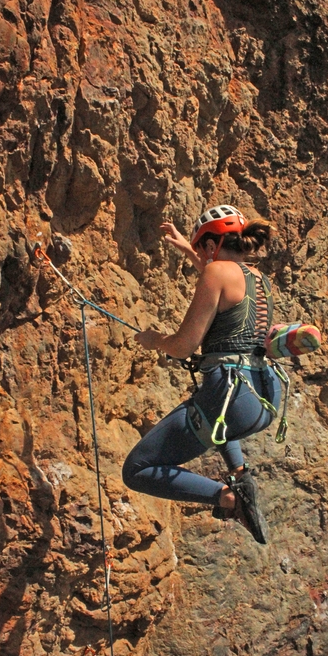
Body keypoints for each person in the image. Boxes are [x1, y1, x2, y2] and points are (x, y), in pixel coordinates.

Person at [122, 205, 282, 544]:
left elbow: (183, 345)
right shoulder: (259, 280)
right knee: (214, 415)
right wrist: (188, 250)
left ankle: (227, 497)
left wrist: (155, 341)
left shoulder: (215, 273)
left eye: (200, 250)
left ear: (211, 247)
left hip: (231, 398)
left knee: (136, 469)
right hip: (261, 400)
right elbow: (224, 284)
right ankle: (240, 472)